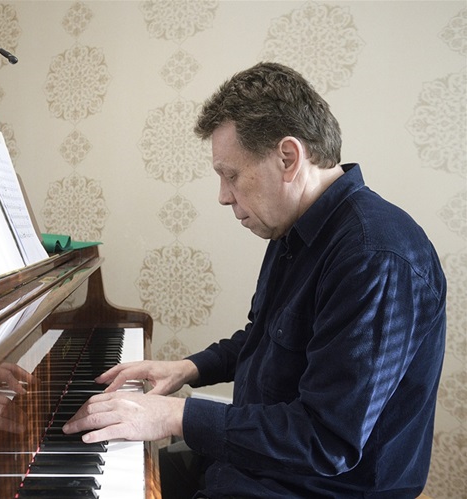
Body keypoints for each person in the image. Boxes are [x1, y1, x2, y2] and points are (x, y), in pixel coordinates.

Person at [62, 62, 447, 498]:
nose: (223, 196)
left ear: (288, 158)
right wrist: (189, 368)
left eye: (231, 175)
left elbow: (326, 441)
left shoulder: (374, 256)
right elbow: (266, 338)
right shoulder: (293, 228)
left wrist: (173, 415)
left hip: (318, 486)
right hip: (260, 465)